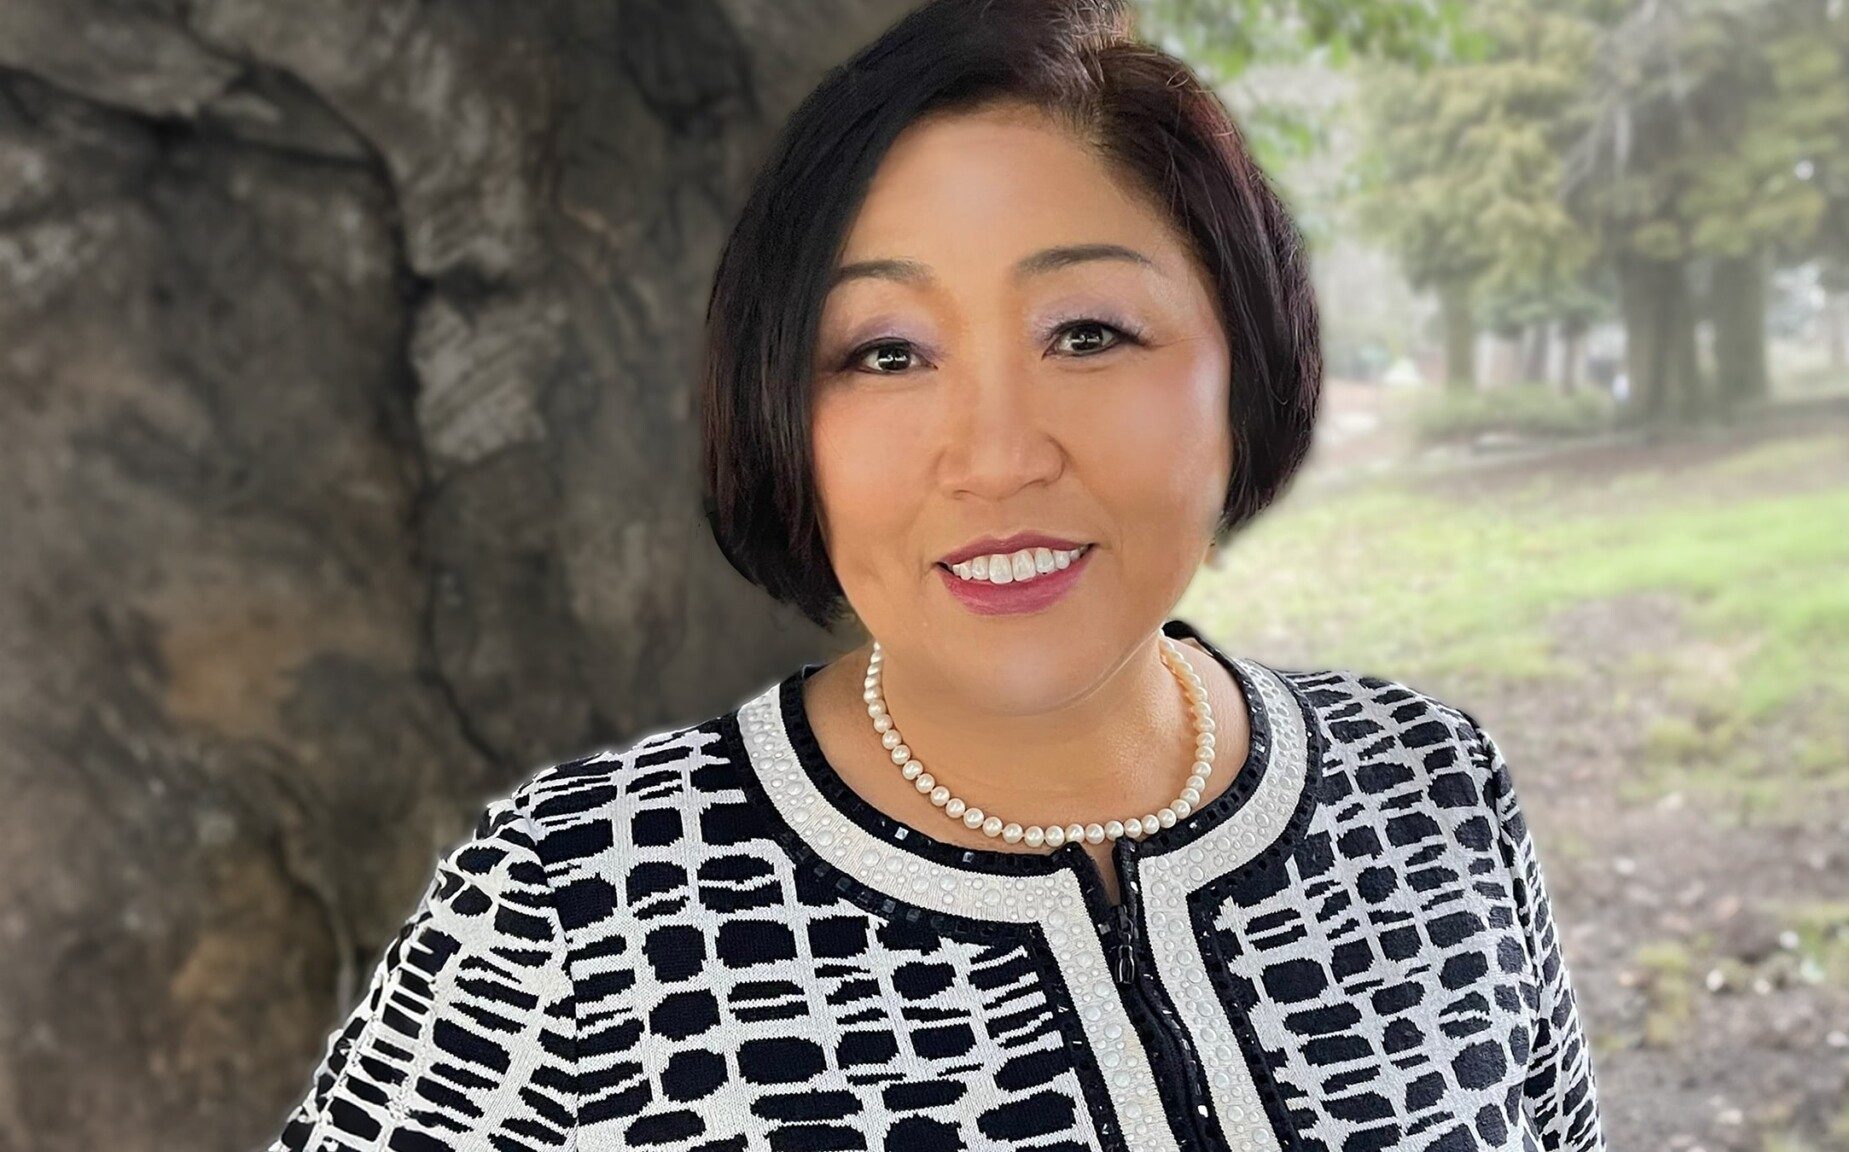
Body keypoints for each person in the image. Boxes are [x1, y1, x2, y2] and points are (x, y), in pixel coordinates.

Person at [266, 1, 1607, 1149]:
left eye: (1089, 331)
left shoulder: (1431, 788)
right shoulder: (576, 909)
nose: (997, 455)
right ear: (786, 414)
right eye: (887, 353)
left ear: (1240, 369)